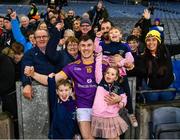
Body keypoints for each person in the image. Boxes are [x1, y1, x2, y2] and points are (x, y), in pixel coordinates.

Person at [24, 35, 121, 139]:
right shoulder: (72, 66)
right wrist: (33, 74)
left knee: (113, 138)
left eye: (89, 45)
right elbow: (52, 80)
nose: (86, 48)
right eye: (83, 45)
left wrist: (119, 98)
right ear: (79, 48)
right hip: (83, 107)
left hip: (103, 107)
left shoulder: (103, 65)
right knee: (88, 138)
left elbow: (120, 82)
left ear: (94, 47)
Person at [91, 46, 128, 139]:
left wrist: (121, 102)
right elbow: (98, 68)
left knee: (115, 138)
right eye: (107, 73)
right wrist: (99, 55)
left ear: (116, 78)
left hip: (112, 116)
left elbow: (124, 97)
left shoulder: (118, 87)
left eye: (112, 74)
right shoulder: (100, 82)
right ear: (104, 74)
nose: (109, 75)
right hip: (99, 115)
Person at [136, 30, 175, 102]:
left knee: (167, 100)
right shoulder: (142, 57)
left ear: (158, 41)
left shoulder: (167, 50)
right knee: (152, 100)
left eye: (154, 40)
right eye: (148, 40)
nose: (151, 43)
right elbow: (139, 70)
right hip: (151, 88)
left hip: (168, 86)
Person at [22, 29, 55, 100]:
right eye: (38, 37)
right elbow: (25, 71)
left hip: (58, 89)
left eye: (44, 36)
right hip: (39, 91)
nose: (41, 39)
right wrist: (26, 84)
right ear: (34, 40)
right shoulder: (29, 54)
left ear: (49, 38)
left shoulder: (57, 52)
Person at [47, 74, 77, 139]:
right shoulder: (55, 103)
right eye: (61, 90)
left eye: (66, 90)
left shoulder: (74, 102)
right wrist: (50, 80)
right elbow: (51, 92)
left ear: (71, 91)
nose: (64, 93)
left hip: (69, 136)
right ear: (57, 92)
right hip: (56, 135)